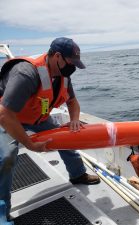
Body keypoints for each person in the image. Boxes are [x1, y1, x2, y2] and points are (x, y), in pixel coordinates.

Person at [0, 37, 100, 217]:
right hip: (8, 117)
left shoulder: (64, 77)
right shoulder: (26, 73)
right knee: (6, 157)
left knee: (65, 138)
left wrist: (75, 119)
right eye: (71, 62)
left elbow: (73, 102)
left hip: (38, 117)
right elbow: (5, 114)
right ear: (58, 57)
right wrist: (30, 144)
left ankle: (77, 174)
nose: (74, 68)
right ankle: (2, 211)